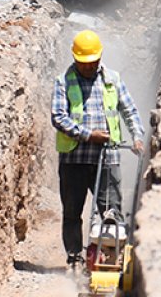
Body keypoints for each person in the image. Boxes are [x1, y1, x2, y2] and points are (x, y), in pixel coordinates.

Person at [51, 29, 145, 269]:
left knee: (112, 211)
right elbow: (59, 117)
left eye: (93, 62)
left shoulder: (112, 78)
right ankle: (74, 258)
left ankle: (112, 259)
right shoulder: (64, 81)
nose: (89, 67)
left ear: (99, 58)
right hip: (75, 158)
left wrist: (137, 136)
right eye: (84, 63)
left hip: (108, 157)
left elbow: (129, 110)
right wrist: (88, 136)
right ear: (75, 59)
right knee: (72, 212)